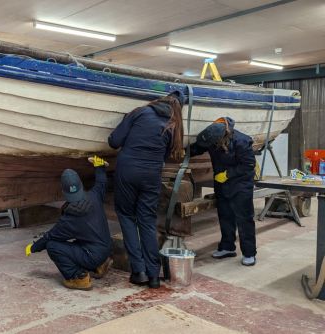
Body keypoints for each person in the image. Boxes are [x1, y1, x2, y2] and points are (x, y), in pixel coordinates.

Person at [108, 91, 185, 288]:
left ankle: (138, 271)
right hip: (152, 174)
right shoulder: (174, 125)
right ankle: (153, 276)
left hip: (128, 170)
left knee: (126, 216)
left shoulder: (140, 112)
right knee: (147, 221)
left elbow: (114, 141)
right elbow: (167, 154)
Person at [25, 155, 113, 290]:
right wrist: (99, 167)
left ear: (63, 192)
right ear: (81, 185)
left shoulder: (69, 220)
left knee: (52, 246)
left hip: (93, 254)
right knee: (80, 242)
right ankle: (100, 265)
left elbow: (50, 236)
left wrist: (33, 247)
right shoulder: (94, 195)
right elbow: (101, 183)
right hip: (105, 248)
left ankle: (79, 278)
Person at [190, 117, 257, 266]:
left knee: (244, 219)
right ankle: (227, 247)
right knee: (225, 216)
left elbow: (249, 165)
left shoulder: (241, 141)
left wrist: (228, 174)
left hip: (241, 185)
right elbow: (199, 147)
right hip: (221, 185)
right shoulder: (213, 137)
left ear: (224, 135)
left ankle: (249, 253)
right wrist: (183, 152)